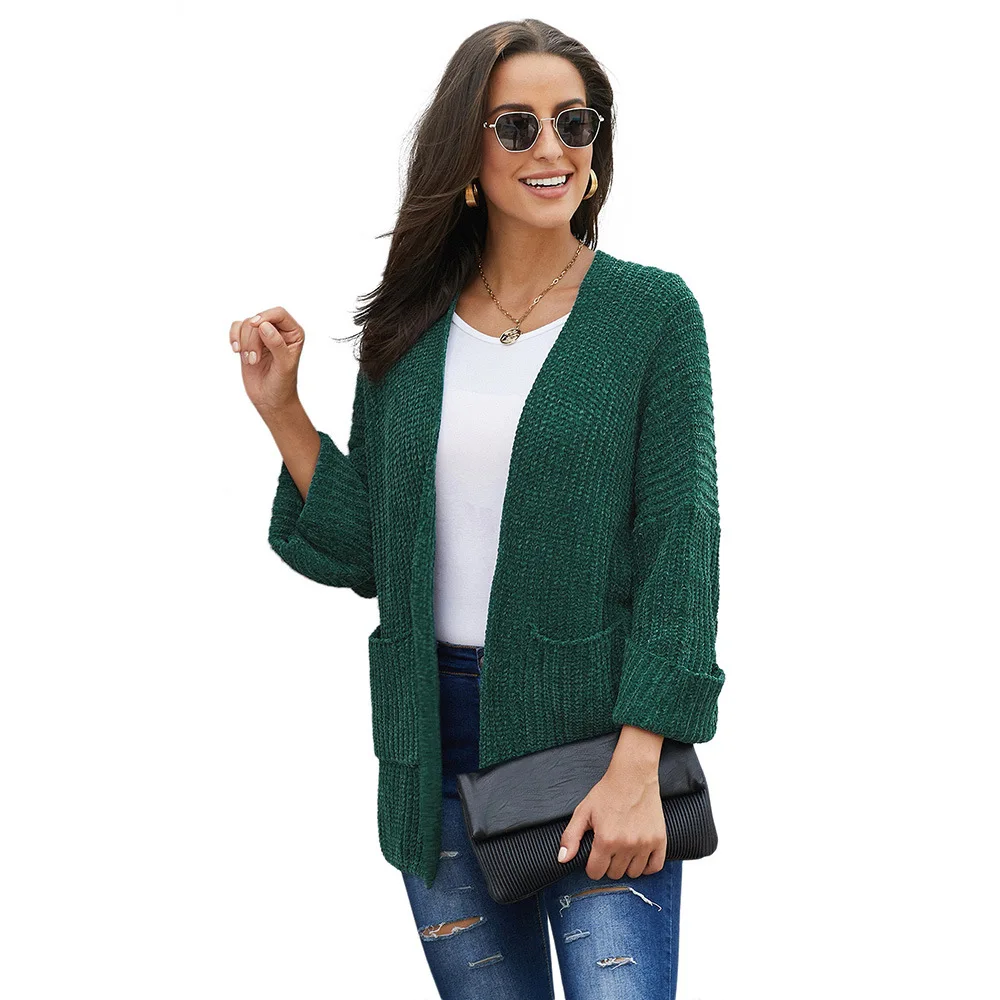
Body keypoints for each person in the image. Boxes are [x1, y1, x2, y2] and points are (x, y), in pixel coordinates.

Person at [232, 18, 724, 1000]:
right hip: (435, 738)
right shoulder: (408, 327)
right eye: (517, 126)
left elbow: (681, 544)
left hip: (596, 740)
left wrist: (642, 759)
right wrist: (283, 411)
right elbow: (369, 552)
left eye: (574, 123)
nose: (552, 148)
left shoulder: (651, 315)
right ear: (467, 154)